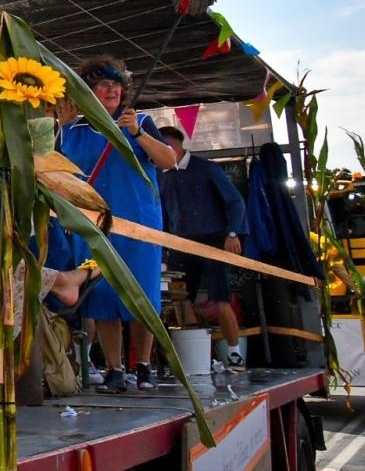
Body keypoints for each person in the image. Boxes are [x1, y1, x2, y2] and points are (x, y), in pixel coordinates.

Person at [61, 56, 178, 393]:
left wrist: (137, 133)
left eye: (115, 85)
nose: (111, 90)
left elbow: (168, 160)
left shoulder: (139, 121)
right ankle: (114, 369)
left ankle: (143, 366)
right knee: (103, 296)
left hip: (140, 223)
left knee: (141, 295)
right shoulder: (74, 129)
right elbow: (63, 175)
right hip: (95, 224)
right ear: (87, 91)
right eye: (102, 85)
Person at [157, 125, 248, 367]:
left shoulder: (206, 169)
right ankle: (195, 353)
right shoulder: (162, 175)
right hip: (180, 241)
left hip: (213, 239)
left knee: (221, 297)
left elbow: (235, 202)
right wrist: (163, 244)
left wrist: (232, 233)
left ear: (177, 145)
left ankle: (233, 351)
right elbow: (164, 213)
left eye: (165, 145)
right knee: (181, 296)